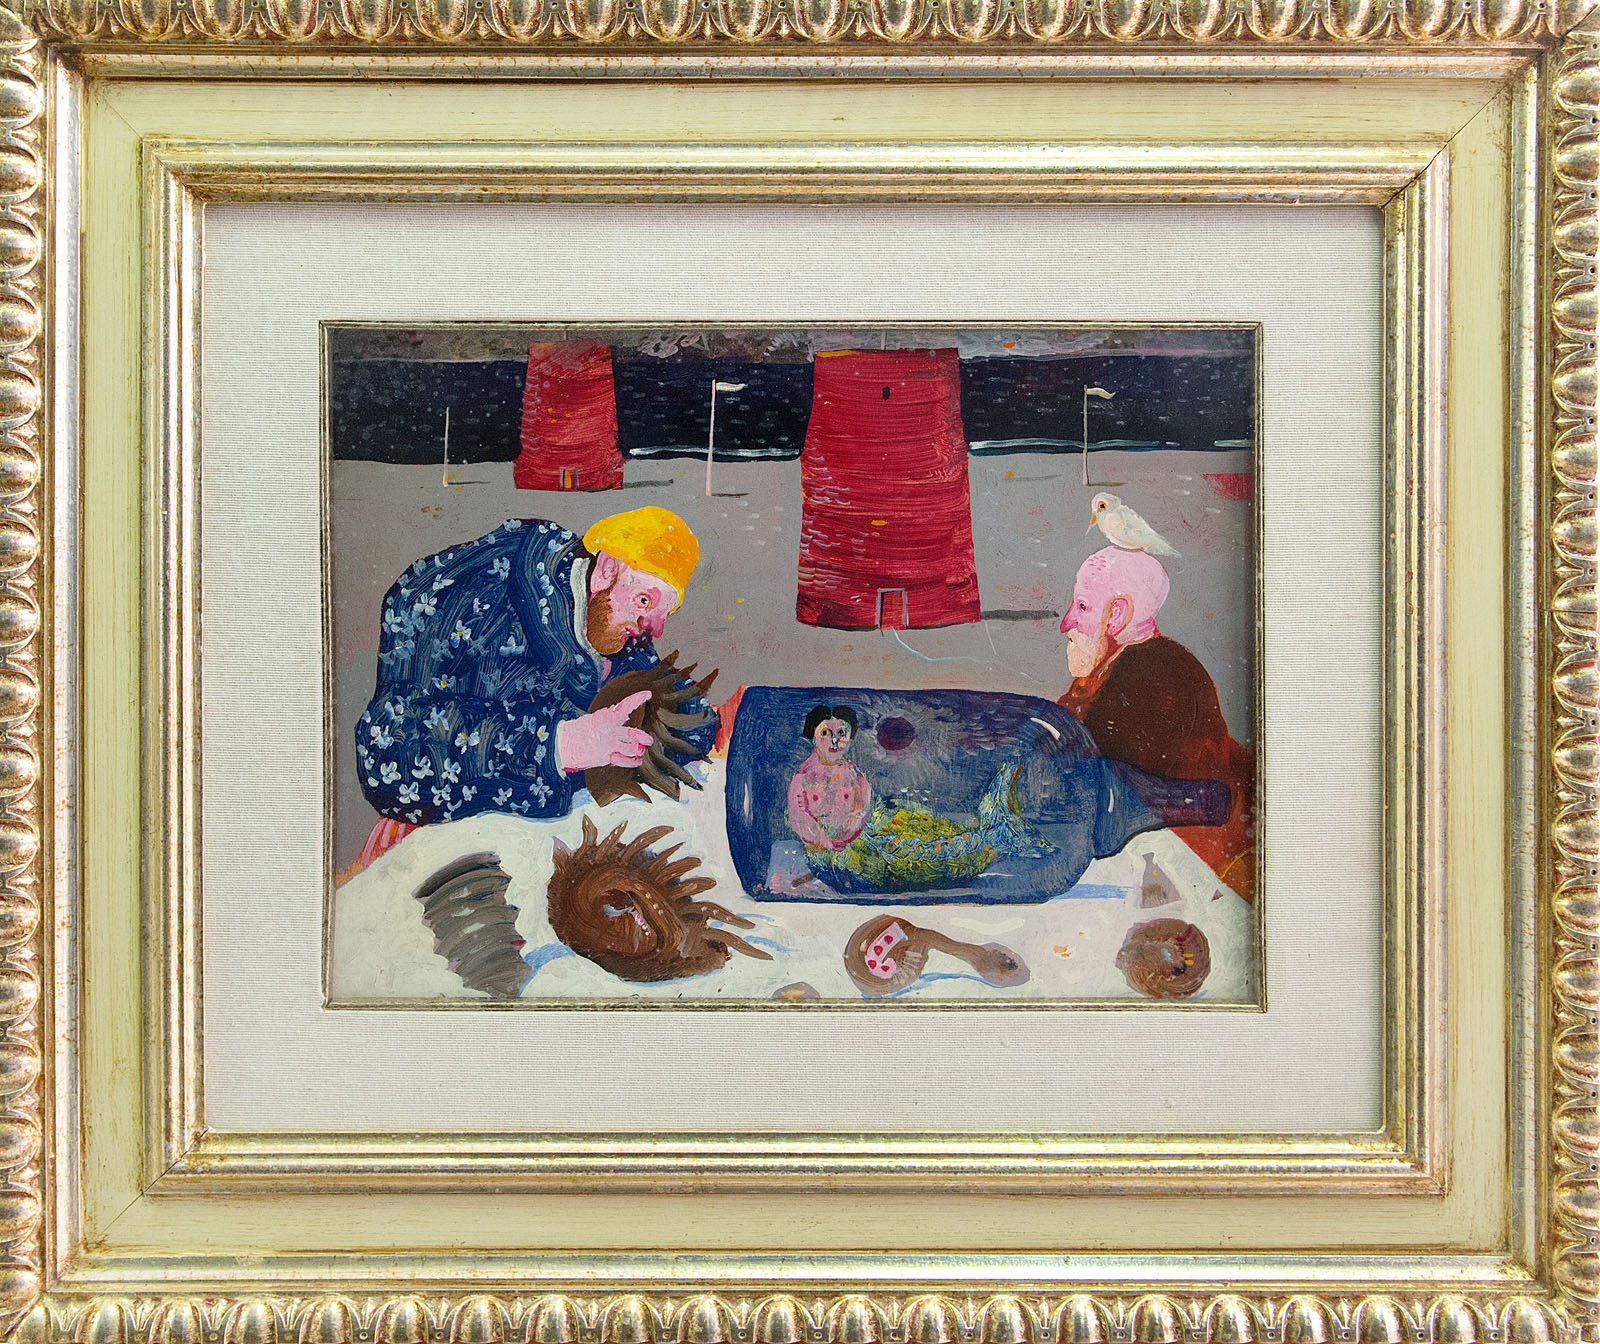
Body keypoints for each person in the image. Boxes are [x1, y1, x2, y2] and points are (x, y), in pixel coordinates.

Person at [353, 507, 717, 845]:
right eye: (645, 601)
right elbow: (386, 748)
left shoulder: (615, 627)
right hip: (442, 843)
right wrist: (558, 746)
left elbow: (670, 704)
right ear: (607, 569)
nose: (654, 628)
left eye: (665, 614)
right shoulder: (472, 601)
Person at [1057, 546, 1255, 900]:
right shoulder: (1115, 664)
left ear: (1117, 614)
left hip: (1209, 875)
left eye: (1082, 607)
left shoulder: (1151, 676)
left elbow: (1089, 788)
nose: (1066, 623)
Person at [785, 703, 1050, 895]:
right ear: (813, 736)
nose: (834, 741)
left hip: (864, 833)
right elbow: (799, 816)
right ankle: (993, 837)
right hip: (833, 854)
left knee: (921, 827)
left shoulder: (852, 772)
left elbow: (862, 804)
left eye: (841, 734)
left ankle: (991, 830)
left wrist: (853, 827)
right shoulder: (804, 778)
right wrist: (823, 840)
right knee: (904, 856)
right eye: (826, 733)